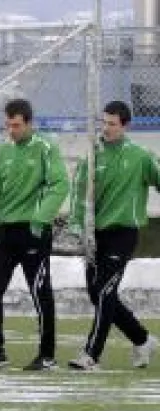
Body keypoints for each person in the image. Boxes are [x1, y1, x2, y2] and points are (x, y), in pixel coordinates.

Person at [0, 98, 69, 371]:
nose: (11, 130)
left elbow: (60, 185)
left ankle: (47, 355)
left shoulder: (45, 148)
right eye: (8, 125)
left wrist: (41, 218)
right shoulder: (3, 151)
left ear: (28, 123)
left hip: (34, 232)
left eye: (16, 125)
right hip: (6, 230)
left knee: (39, 292)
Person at [68, 100, 159, 370]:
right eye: (104, 122)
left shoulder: (140, 156)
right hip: (95, 235)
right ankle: (142, 340)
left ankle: (90, 355)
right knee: (97, 294)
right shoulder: (92, 155)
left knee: (105, 290)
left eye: (112, 124)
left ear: (125, 126)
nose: (106, 128)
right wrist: (76, 227)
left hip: (124, 233)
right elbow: (79, 194)